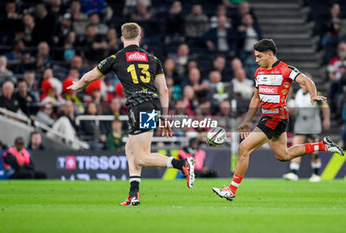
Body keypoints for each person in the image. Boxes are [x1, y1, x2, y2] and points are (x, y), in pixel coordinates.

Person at [68, 22, 195, 206]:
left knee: (142, 156)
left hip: (138, 106)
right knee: (131, 150)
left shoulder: (116, 58)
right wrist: (165, 117)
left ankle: (182, 164)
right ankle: (134, 193)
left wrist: (77, 86)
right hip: (152, 105)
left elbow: (89, 78)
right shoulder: (153, 59)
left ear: (122, 38)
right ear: (139, 37)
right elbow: (164, 91)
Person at [212, 39, 344, 202]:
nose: (256, 60)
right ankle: (322, 145)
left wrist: (312, 94)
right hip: (269, 116)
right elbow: (256, 98)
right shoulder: (258, 72)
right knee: (283, 155)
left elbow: (306, 80)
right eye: (255, 57)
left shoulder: (285, 69)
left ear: (269, 54)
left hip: (276, 116)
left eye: (259, 57)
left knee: (243, 148)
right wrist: (247, 120)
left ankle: (231, 190)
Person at [283, 76, 331, 182]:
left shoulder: (315, 94)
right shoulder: (297, 94)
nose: (303, 85)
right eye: (302, 83)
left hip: (312, 125)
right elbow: (294, 110)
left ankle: (316, 174)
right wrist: (291, 110)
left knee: (314, 150)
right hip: (300, 124)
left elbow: (325, 107)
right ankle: (293, 173)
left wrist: (326, 120)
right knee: (296, 147)